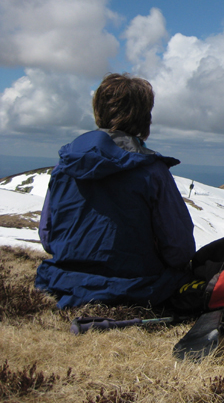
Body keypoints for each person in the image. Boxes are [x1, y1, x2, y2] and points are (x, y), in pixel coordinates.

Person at [35, 73, 196, 308]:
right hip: (138, 288)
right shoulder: (152, 171)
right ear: (145, 117)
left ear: (99, 110)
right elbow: (179, 249)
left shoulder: (65, 166)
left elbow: (48, 238)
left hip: (64, 282)